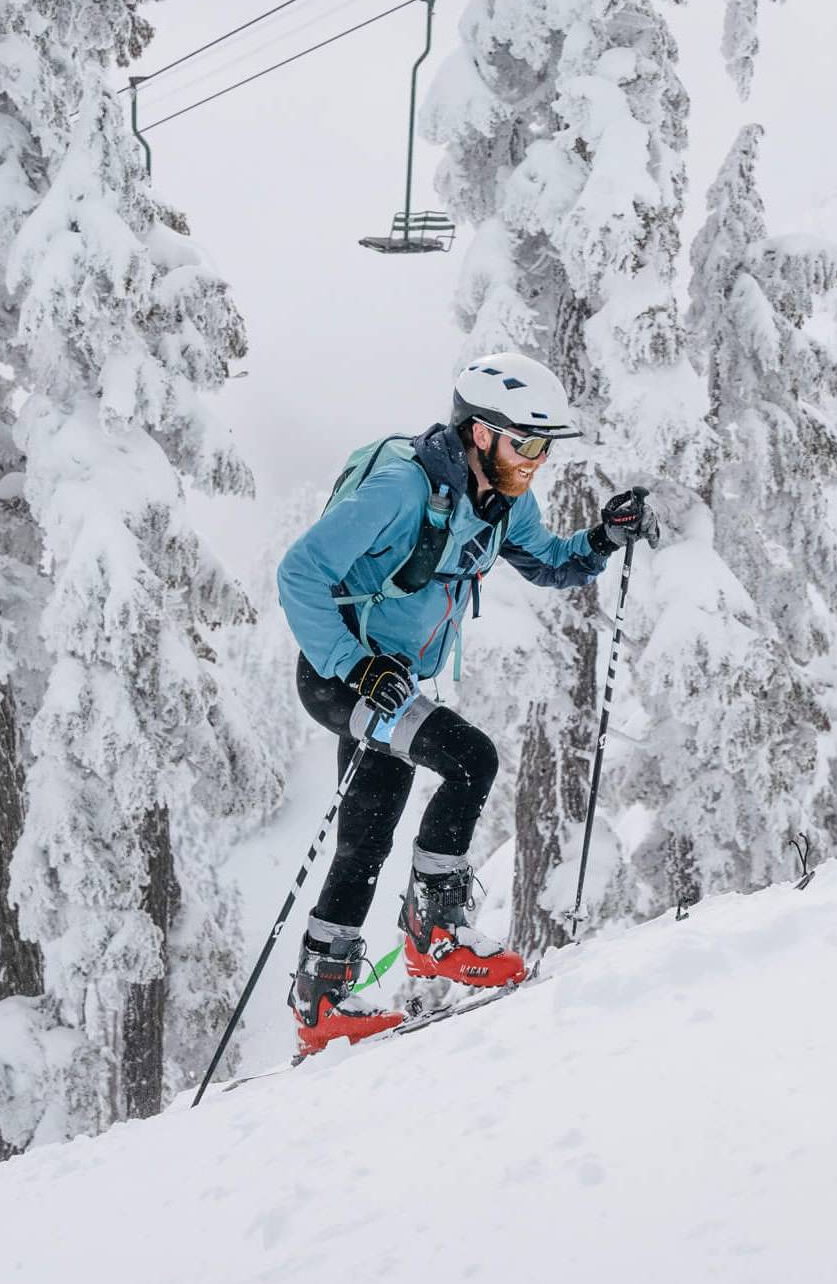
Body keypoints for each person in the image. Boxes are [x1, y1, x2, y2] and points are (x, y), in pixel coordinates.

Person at [276, 351, 659, 1055]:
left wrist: (603, 538)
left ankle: (322, 999)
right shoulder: (399, 489)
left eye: (545, 445)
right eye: (527, 442)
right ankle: (436, 933)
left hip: (387, 680)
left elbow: (547, 561)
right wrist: (357, 669)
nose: (538, 459)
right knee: (469, 757)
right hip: (340, 677)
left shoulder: (501, 500)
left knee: (369, 829)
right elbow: (300, 572)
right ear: (481, 433)